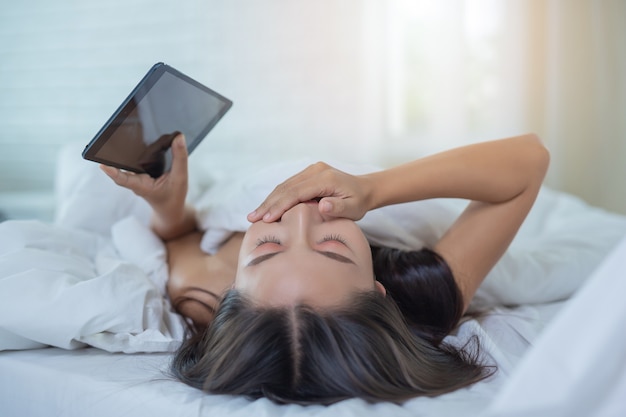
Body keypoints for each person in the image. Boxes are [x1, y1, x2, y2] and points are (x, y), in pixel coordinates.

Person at [101, 132, 549, 405]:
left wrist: (167, 202)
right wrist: (372, 190)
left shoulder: (200, 288)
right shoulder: (427, 293)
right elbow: (530, 159)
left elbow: (179, 236)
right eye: (333, 244)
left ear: (233, 287)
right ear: (378, 292)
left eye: (269, 246)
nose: (299, 216)